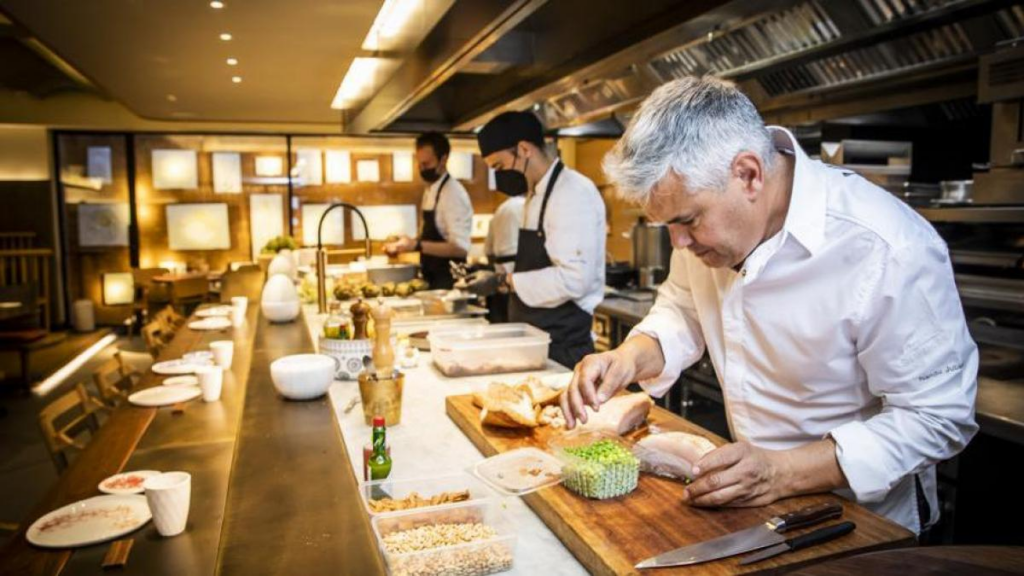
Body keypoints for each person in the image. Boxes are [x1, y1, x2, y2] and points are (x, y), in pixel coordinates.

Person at [561, 77, 978, 535]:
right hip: (756, 507)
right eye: (666, 226)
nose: (677, 243)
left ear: (748, 175)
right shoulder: (706, 234)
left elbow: (938, 417)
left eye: (687, 221)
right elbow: (683, 309)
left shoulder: (885, 246)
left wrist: (783, 471)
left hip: (862, 523)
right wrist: (628, 357)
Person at [467, 111, 606, 368]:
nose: (499, 177)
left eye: (499, 166)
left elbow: (574, 280)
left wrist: (504, 281)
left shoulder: (572, 193)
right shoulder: (535, 194)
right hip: (536, 341)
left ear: (524, 149)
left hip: (563, 347)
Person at [384, 132, 472, 289]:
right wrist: (404, 244)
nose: (422, 169)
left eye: (427, 164)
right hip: (432, 279)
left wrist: (416, 245)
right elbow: (429, 237)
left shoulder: (453, 193)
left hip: (450, 283)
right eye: (419, 164)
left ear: (443, 160)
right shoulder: (431, 189)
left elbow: (460, 248)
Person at [482, 192, 525, 323]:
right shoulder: (528, 207)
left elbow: (488, 251)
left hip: (499, 279)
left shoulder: (501, 209)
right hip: (521, 279)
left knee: (500, 328)